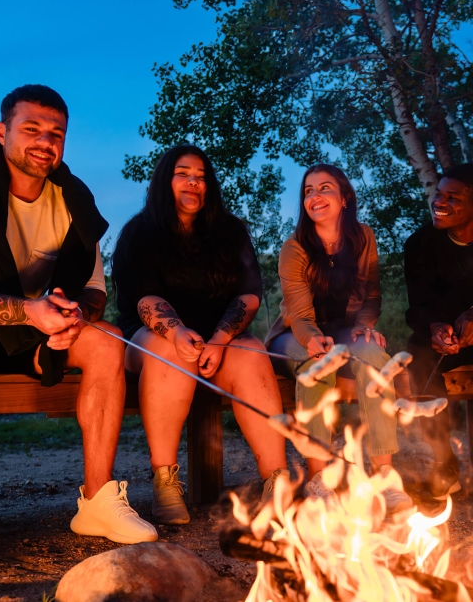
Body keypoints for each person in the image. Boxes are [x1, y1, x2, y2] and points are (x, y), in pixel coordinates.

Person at [0, 84, 157, 544]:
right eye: (31, 129)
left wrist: (71, 318)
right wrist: (30, 313)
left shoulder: (73, 201)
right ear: (1, 131)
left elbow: (93, 290)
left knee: (105, 339)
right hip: (17, 319)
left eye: (56, 133)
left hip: (34, 331)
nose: (45, 141)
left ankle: (97, 501)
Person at [112, 144, 288, 525]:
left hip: (217, 341)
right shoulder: (140, 233)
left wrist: (223, 337)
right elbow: (143, 299)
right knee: (170, 352)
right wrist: (177, 331)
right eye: (182, 173)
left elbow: (249, 295)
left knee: (253, 351)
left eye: (201, 175)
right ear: (165, 181)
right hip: (150, 339)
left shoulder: (230, 232)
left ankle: (278, 482)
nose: (193, 181)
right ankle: (166, 482)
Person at [266, 163, 412, 512]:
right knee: (318, 364)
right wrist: (314, 341)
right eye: (308, 191)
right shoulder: (295, 247)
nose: (315, 196)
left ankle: (386, 477)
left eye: (325, 188)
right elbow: (300, 316)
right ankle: (319, 479)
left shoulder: (363, 237)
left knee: (376, 356)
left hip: (345, 333)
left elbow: (371, 295)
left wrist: (365, 324)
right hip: (294, 336)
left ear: (345, 197)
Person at [405, 164, 473, 500]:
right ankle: (445, 463)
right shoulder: (419, 244)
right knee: (417, 356)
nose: (439, 202)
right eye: (438, 194)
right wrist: (434, 327)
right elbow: (417, 307)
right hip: (441, 342)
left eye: (453, 197)